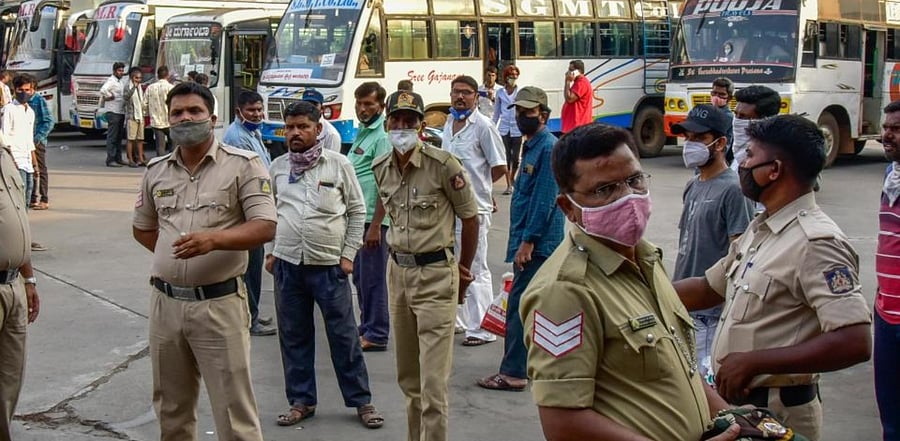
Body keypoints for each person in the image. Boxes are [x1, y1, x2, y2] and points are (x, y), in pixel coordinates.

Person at [520, 123, 739, 441]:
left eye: (634, 180)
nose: (628, 197)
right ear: (569, 207)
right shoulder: (565, 291)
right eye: (604, 190)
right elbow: (563, 423)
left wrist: (733, 418)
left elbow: (682, 368)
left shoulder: (646, 259)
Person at [674, 115, 872, 440]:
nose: (741, 164)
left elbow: (855, 341)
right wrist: (642, 293)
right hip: (741, 404)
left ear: (775, 170)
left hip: (780, 409)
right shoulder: (761, 227)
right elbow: (709, 287)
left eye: (749, 156)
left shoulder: (816, 242)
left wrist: (753, 363)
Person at [132, 81, 276, 441]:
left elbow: (264, 226)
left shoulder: (244, 166)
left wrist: (213, 242)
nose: (185, 118)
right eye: (177, 112)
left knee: (233, 413)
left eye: (194, 111)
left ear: (212, 118)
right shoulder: (156, 170)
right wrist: (175, 261)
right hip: (165, 305)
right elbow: (144, 229)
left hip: (218, 305)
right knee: (171, 409)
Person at [264, 100, 383, 429]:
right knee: (293, 336)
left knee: (344, 337)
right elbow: (270, 213)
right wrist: (272, 251)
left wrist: (348, 256)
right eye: (290, 127)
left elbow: (358, 211)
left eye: (303, 126)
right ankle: (301, 401)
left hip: (329, 266)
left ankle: (361, 401)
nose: (295, 133)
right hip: (288, 266)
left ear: (318, 129)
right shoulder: (276, 168)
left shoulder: (338, 164)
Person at [369, 90, 479, 441]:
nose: (402, 127)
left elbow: (470, 218)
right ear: (387, 124)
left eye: (410, 121)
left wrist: (463, 271)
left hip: (435, 276)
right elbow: (387, 204)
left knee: (433, 385)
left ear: (420, 126)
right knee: (408, 379)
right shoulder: (381, 167)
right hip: (398, 274)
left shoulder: (443, 165)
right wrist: (373, 228)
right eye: (396, 121)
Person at [477, 86, 564, 392]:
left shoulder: (548, 147)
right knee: (531, 305)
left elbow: (545, 198)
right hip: (528, 240)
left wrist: (529, 242)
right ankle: (529, 364)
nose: (522, 117)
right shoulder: (532, 145)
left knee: (519, 306)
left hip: (538, 244)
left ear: (543, 114)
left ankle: (514, 372)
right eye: (518, 111)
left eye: (528, 112)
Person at [670, 104, 754, 381]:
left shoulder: (733, 189)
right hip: (686, 306)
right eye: (688, 138)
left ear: (720, 143)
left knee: (707, 388)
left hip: (712, 314)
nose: (690, 144)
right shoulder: (693, 185)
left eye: (699, 138)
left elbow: (739, 254)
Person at [441, 75, 507, 347]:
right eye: (456, 92)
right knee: (452, 263)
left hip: (475, 210)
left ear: (475, 97)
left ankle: (482, 327)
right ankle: (459, 320)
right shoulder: (448, 122)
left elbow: (499, 165)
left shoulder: (483, 126)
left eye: (466, 93)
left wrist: (483, 190)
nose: (460, 97)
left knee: (476, 266)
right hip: (449, 209)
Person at [222, 90, 276, 337]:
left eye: (259, 109)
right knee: (248, 268)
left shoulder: (252, 133)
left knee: (253, 268)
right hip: (247, 213)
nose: (257, 114)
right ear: (238, 112)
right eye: (251, 110)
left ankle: (253, 313)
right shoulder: (237, 137)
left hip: (257, 209)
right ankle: (248, 319)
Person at [0, 126, 40, 441]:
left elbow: (18, 220)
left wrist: (29, 278)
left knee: (10, 375)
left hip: (13, 284)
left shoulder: (6, 156)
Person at [349, 82, 392, 352]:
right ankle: (366, 325)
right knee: (361, 277)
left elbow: (385, 185)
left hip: (372, 221)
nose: (363, 109)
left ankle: (376, 332)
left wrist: (376, 225)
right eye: (360, 103)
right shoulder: (363, 133)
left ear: (381, 106)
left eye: (369, 104)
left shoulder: (382, 137)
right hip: (357, 218)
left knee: (373, 277)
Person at [875, 100, 900, 441]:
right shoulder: (890, 176)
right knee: (891, 423)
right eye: (886, 127)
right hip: (886, 315)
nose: (886, 135)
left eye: (896, 129)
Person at [3, 74, 36, 211]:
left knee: (28, 193)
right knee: (19, 197)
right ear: (14, 90)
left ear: (32, 91)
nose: (24, 93)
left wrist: (34, 162)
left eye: (27, 90)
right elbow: (4, 137)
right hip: (15, 159)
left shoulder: (30, 112)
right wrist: (11, 161)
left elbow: (29, 138)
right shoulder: (9, 109)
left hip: (27, 160)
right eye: (20, 90)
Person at [730, 85, 780, 171]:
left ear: (763, 121)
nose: (736, 121)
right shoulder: (739, 155)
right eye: (736, 114)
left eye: (743, 116)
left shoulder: (768, 162)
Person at [493, 65, 521, 195]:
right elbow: (497, 113)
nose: (514, 78)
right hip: (504, 128)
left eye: (515, 76)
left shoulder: (520, 92)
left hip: (517, 128)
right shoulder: (500, 93)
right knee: (506, 157)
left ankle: (512, 177)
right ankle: (509, 184)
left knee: (515, 158)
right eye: (511, 76)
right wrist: (493, 127)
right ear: (506, 77)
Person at [27, 75, 53, 211]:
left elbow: (49, 122)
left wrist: (37, 138)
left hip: (37, 142)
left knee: (40, 170)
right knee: (28, 170)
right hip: (24, 142)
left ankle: (44, 199)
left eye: (28, 90)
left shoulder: (39, 100)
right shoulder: (18, 102)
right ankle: (32, 198)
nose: (24, 93)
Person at [101, 62, 127, 167]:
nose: (121, 72)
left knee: (119, 137)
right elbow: (103, 90)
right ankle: (110, 159)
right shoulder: (111, 81)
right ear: (114, 71)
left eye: (122, 70)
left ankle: (118, 158)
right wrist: (109, 96)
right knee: (112, 137)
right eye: (119, 71)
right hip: (113, 112)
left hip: (120, 111)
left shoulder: (120, 82)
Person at [145, 65, 175, 157]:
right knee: (173, 145)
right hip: (170, 121)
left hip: (156, 121)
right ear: (168, 75)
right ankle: (172, 164)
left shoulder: (150, 88)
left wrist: (147, 114)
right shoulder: (171, 88)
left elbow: (144, 104)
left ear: (157, 75)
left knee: (160, 146)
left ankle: (160, 165)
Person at [561, 59, 593, 133]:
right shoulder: (578, 82)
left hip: (577, 126)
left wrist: (567, 81)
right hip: (574, 126)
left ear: (577, 71)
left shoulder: (582, 83)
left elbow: (569, 99)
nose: (568, 72)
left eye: (571, 70)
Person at [123, 67, 146, 167]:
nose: (138, 80)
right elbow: (126, 97)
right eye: (136, 78)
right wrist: (133, 88)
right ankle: (131, 159)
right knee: (131, 139)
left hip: (140, 116)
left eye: (140, 78)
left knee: (140, 139)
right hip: (132, 116)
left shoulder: (140, 87)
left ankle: (140, 158)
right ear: (132, 78)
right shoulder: (128, 86)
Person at [710, 77, 734, 162]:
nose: (717, 97)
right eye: (714, 93)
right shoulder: (709, 112)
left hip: (719, 161)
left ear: (729, 98)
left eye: (722, 94)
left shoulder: (727, 116)